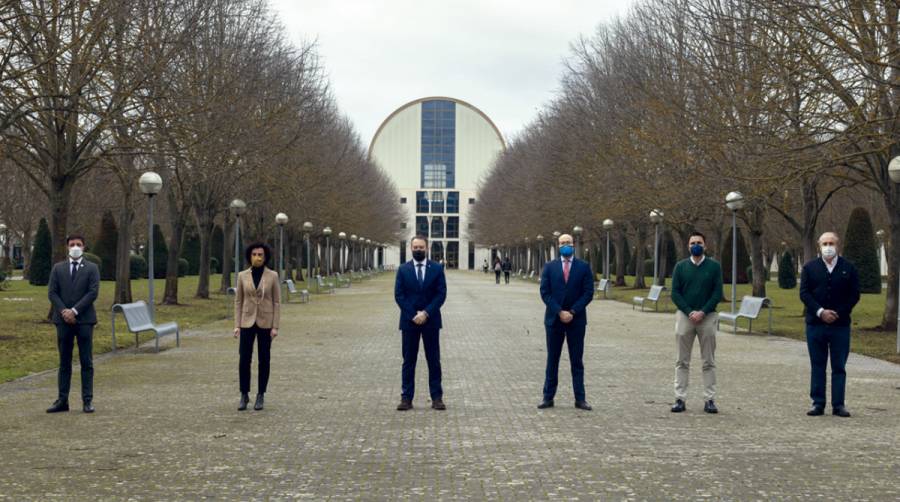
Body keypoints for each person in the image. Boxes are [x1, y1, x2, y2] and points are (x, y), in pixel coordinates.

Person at [800, 232, 860, 418]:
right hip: (815, 324)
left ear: (838, 245)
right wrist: (820, 312)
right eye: (825, 243)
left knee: (839, 366)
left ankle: (838, 404)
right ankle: (818, 403)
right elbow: (804, 293)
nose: (828, 246)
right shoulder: (810, 268)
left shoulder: (848, 268)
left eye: (831, 243)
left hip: (840, 325)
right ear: (819, 246)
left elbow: (854, 294)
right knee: (817, 364)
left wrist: (838, 313)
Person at [538, 233, 595, 410]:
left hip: (576, 320)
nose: (565, 246)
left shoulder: (584, 267)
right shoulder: (549, 267)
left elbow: (588, 292)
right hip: (554, 320)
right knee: (552, 360)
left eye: (568, 243)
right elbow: (545, 292)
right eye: (562, 243)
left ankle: (580, 398)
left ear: (574, 244)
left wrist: (572, 311)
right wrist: (559, 311)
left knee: (576, 361)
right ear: (558, 245)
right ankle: (548, 397)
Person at [669, 231, 724, 414]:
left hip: (707, 317)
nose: (696, 245)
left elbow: (717, 293)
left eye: (699, 242)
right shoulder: (680, 267)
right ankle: (679, 398)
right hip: (685, 317)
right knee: (681, 361)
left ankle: (709, 399)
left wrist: (703, 311)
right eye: (692, 243)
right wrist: (689, 311)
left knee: (708, 360)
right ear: (688, 246)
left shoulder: (714, 267)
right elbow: (675, 293)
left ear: (705, 246)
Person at [46, 234, 100, 414]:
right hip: (62, 321)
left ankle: (87, 400)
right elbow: (52, 293)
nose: (75, 247)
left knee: (86, 361)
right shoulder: (58, 268)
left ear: (84, 247)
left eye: (78, 244)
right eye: (72, 244)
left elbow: (92, 292)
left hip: (84, 320)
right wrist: (64, 312)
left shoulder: (92, 268)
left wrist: (74, 311)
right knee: (64, 362)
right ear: (67, 247)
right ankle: (62, 400)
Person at [394, 235, 447, 411]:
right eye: (415, 247)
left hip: (431, 321)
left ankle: (437, 398)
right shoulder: (403, 269)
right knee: (408, 361)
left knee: (434, 360)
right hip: (409, 322)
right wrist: (413, 315)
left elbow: (441, 294)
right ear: (411, 248)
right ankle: (406, 398)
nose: (418, 250)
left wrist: (425, 313)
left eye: (421, 247)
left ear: (427, 248)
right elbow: (399, 295)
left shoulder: (437, 269)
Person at [234, 242, 281, 411]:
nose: (257, 257)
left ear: (265, 256)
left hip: (265, 322)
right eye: (254, 254)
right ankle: (244, 394)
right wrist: (237, 325)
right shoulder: (242, 276)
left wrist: (275, 326)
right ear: (249, 256)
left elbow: (276, 302)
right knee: (244, 359)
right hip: (246, 322)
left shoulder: (273, 276)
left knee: (264, 359)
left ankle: (261, 394)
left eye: (260, 254)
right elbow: (238, 301)